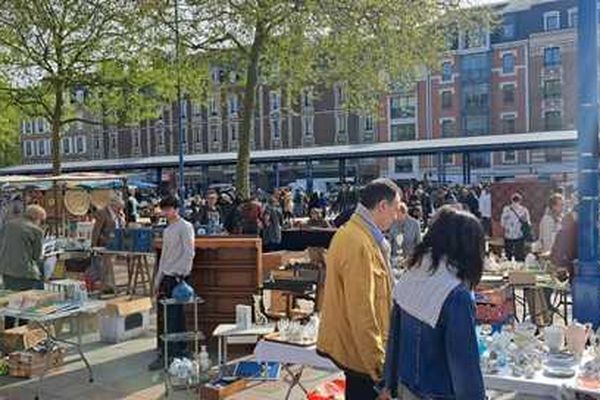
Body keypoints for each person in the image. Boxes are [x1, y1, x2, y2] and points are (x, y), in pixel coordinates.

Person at [380, 207, 485, 400]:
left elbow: (394, 338)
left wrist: (388, 384)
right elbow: (464, 367)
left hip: (406, 388)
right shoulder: (455, 293)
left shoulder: (413, 273)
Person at [317, 178, 402, 400]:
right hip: (362, 356)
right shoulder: (358, 242)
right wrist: (378, 368)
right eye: (396, 209)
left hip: (358, 352)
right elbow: (363, 310)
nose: (396, 216)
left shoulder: (357, 235)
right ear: (382, 206)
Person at [149, 195, 196, 371]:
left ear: (176, 209)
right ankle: (166, 351)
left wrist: (182, 274)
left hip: (179, 277)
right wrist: (157, 280)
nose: (166, 212)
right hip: (167, 276)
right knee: (164, 315)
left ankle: (176, 351)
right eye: (164, 209)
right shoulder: (168, 230)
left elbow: (189, 252)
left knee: (175, 316)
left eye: (169, 208)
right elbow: (164, 257)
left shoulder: (185, 226)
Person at [0, 205, 46, 290]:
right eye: (42, 221)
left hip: (5, 269)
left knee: (11, 297)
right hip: (24, 273)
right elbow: (36, 256)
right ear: (37, 218)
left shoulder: (8, 225)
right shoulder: (36, 231)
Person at [91, 195, 126, 292]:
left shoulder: (118, 214)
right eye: (119, 207)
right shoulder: (103, 213)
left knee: (110, 266)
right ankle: (106, 286)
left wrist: (122, 219)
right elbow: (96, 230)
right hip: (104, 243)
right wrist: (94, 244)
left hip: (114, 243)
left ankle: (109, 285)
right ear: (114, 205)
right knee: (105, 266)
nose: (120, 209)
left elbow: (121, 226)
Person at [500, 192, 531, 261]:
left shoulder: (506, 209)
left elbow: (502, 223)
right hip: (519, 236)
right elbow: (528, 224)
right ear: (520, 200)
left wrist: (508, 227)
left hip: (508, 236)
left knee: (508, 257)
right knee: (519, 257)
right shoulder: (524, 210)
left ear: (511, 200)